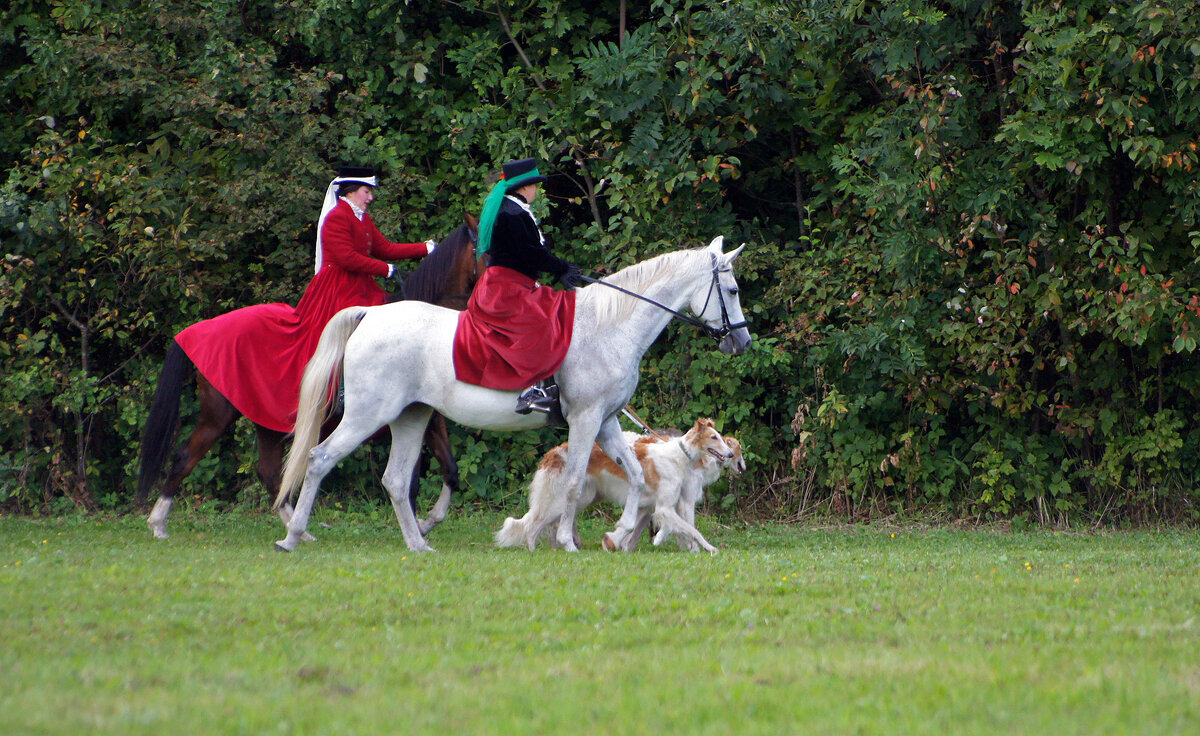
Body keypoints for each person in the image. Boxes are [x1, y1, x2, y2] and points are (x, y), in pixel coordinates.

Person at [173, 166, 435, 432]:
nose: (370, 198)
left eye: (370, 192)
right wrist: (384, 269)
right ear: (351, 191)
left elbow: (385, 248)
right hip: (337, 289)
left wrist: (424, 249)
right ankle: (338, 391)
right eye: (367, 192)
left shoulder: (361, 219)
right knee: (340, 335)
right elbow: (345, 258)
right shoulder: (337, 218)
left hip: (361, 287)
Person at [452, 158, 582, 415]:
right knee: (541, 318)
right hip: (505, 287)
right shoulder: (512, 214)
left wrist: (558, 270)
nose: (536, 190)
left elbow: (529, 255)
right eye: (535, 185)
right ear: (524, 187)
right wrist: (562, 267)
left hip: (513, 281)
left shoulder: (514, 210)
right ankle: (530, 389)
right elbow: (531, 254)